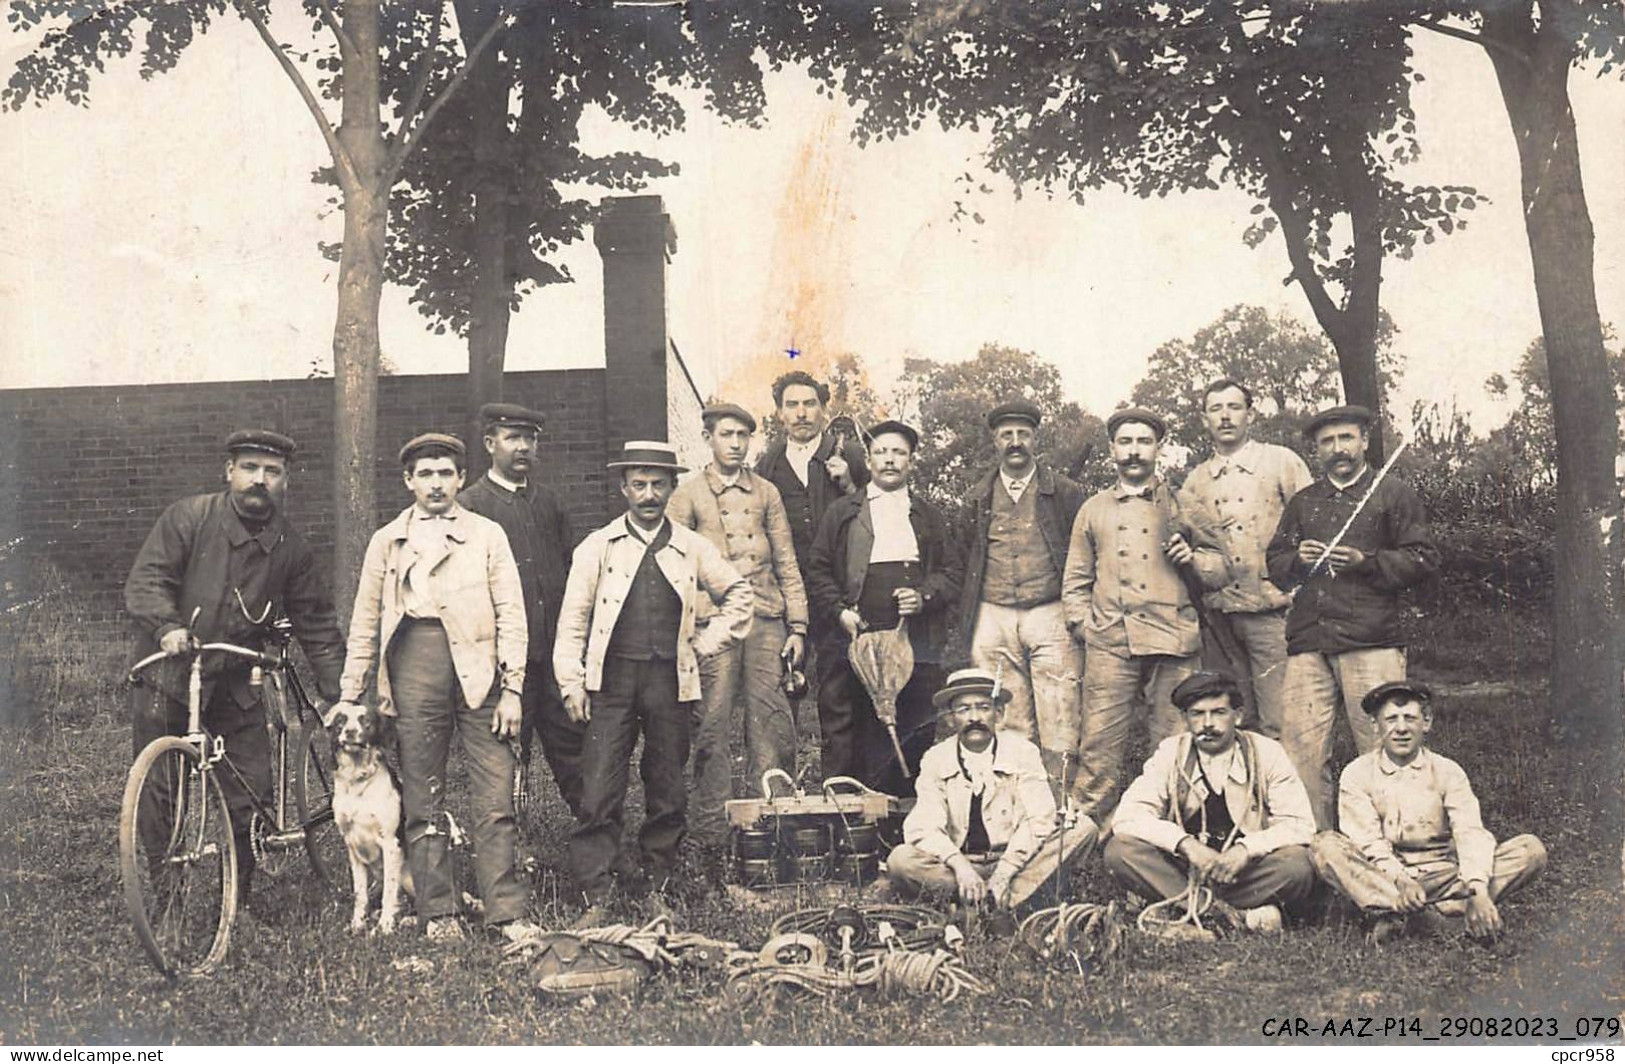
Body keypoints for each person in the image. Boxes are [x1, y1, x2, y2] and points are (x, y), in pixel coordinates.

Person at [125, 429, 346, 906]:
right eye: (249, 468)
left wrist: (340, 694)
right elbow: (148, 580)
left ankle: (237, 899)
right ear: (229, 472)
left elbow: (318, 624)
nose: (259, 480)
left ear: (286, 481)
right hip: (171, 677)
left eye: (272, 472)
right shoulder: (188, 518)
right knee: (161, 794)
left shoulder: (291, 546)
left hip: (236, 685)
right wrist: (166, 625)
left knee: (250, 794)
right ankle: (168, 900)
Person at [339, 433, 531, 942]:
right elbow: (365, 620)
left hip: (479, 666)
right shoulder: (388, 539)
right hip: (413, 663)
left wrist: (512, 687)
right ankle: (438, 910)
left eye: (446, 472)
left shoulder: (487, 535)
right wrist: (351, 687)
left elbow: (512, 611)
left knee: (494, 790)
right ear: (408, 481)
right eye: (425, 474)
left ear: (461, 478)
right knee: (423, 791)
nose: (436, 483)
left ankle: (506, 911)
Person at [553, 441, 753, 907]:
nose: (648, 495)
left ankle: (655, 883)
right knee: (600, 784)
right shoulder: (597, 547)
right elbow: (572, 623)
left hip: (670, 681)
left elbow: (739, 594)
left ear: (671, 488)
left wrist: (704, 644)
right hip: (613, 682)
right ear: (623, 487)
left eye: (658, 485)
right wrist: (572, 683)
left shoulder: (690, 546)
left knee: (666, 785)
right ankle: (596, 890)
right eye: (639, 485)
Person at [1266, 404, 1440, 829]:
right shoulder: (1305, 503)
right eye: (1327, 441)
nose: (1338, 448)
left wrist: (1367, 561)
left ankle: (1393, 841)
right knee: (1300, 752)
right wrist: (1296, 558)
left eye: (1347, 438)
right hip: (1309, 642)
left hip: (1371, 640)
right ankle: (1314, 848)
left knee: (1383, 746)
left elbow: (1424, 557)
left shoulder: (1391, 493)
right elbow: (1274, 559)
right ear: (1316, 450)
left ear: (1363, 441)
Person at [1061, 407, 1229, 822]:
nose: (1134, 452)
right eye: (1125, 442)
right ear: (1112, 449)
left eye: (1143, 442)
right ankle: (1081, 838)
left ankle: (1172, 831)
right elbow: (1075, 581)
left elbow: (1223, 569)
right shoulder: (1093, 509)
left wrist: (1194, 559)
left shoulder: (1183, 504)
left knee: (1174, 745)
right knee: (1098, 746)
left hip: (1174, 640)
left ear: (1158, 448)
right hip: (1111, 643)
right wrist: (1085, 626)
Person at [667, 403, 809, 854]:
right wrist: (686, 633)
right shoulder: (687, 495)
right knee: (711, 724)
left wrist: (798, 625)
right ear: (709, 437)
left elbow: (786, 561)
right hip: (715, 622)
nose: (734, 443)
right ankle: (711, 834)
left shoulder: (767, 493)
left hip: (766, 619)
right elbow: (674, 569)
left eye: (742, 436)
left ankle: (772, 829)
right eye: (726, 434)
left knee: (771, 722)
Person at [1311, 681, 1547, 943]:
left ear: (1427, 723)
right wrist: (1401, 881)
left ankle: (1404, 917)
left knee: (1530, 849)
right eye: (1391, 719)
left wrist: (1477, 888)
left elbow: (1470, 832)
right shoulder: (1357, 773)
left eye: (1410, 718)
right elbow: (1368, 843)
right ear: (1375, 726)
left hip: (1444, 875)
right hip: (1386, 878)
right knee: (1325, 846)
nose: (1401, 728)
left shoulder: (1448, 771)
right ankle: (1440, 916)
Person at [804, 419, 962, 795]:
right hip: (851, 636)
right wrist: (840, 612)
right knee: (846, 730)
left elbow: (952, 572)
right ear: (869, 459)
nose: (889, 461)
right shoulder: (843, 512)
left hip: (914, 640)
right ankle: (847, 826)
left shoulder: (927, 515)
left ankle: (907, 826)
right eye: (881, 452)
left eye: (899, 453)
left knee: (912, 728)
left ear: (911, 461)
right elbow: (818, 569)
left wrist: (923, 596)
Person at [1104, 671, 1317, 932]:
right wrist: (1185, 845)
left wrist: (1245, 850)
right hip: (1183, 872)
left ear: (1237, 716)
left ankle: (1184, 910)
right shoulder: (1171, 752)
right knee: (1120, 850)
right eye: (1197, 714)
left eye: (1218, 713)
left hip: (1244, 874)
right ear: (1185, 719)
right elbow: (1128, 816)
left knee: (1298, 865)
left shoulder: (1266, 753)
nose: (1207, 723)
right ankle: (1232, 917)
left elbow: (1300, 825)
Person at [953, 399, 1087, 797]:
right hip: (992, 614)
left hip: (1049, 610)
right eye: (1007, 435)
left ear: (1035, 438)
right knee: (1007, 715)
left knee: (1060, 710)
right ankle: (1016, 807)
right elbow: (964, 560)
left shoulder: (1064, 491)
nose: (1015, 443)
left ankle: (1062, 808)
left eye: (1023, 434)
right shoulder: (976, 497)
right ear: (995, 440)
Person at [457, 402, 581, 817]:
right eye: (513, 438)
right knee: (506, 758)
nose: (523, 447)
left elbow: (567, 568)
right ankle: (511, 852)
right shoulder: (471, 506)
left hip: (553, 657)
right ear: (491, 444)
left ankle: (598, 839)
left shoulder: (549, 503)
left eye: (530, 439)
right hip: (505, 664)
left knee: (576, 754)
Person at [886, 669, 1097, 911]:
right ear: (949, 719)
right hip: (959, 867)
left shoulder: (1023, 752)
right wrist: (960, 867)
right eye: (964, 709)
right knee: (901, 860)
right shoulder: (936, 758)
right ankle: (1010, 900)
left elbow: (1038, 820)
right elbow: (924, 827)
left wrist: (1004, 872)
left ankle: (987, 901)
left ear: (999, 713)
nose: (974, 717)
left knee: (1083, 829)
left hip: (1018, 861)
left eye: (984, 707)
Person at [1177, 378, 1313, 739]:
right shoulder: (1194, 481)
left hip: (1274, 613)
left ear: (1250, 414)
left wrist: (1299, 592)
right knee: (1235, 719)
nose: (1225, 417)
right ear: (1205, 419)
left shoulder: (1281, 462)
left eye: (1234, 407)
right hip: (1221, 619)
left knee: (1282, 720)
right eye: (1215, 409)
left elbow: (1315, 529)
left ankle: (1289, 794)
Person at [754, 370, 870, 569]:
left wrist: (850, 487)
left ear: (823, 409)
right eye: (791, 405)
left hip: (842, 581)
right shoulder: (767, 465)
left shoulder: (853, 455)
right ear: (780, 413)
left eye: (809, 404)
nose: (801, 414)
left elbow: (877, 518)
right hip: (789, 584)